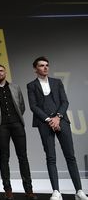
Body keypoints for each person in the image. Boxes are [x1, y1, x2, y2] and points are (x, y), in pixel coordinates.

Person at [27, 56, 88, 200]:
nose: (45, 67)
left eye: (47, 65)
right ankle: (56, 191)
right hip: (44, 123)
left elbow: (64, 101)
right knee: (51, 157)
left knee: (70, 156)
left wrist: (57, 117)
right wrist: (48, 119)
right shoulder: (31, 85)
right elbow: (33, 106)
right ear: (35, 69)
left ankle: (79, 191)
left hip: (61, 121)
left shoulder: (57, 82)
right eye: (41, 65)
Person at [0, 65, 37, 200]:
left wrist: (16, 119)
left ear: (5, 72)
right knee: (4, 157)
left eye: (1, 71)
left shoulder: (15, 87)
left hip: (17, 124)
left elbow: (22, 106)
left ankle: (29, 189)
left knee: (23, 157)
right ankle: (7, 189)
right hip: (1, 126)